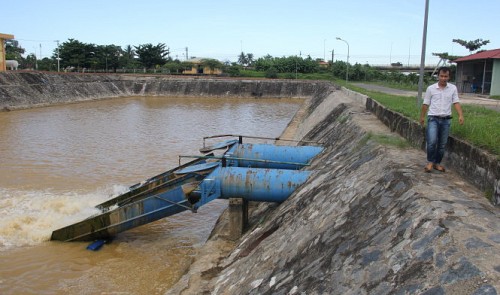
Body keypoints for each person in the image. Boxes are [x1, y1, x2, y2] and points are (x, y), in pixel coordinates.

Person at [420, 66, 464, 173]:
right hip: (433, 119)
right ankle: (430, 162)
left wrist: (460, 115)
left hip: (446, 120)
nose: (443, 78)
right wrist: (422, 117)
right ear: (438, 76)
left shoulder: (453, 88)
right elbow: (426, 103)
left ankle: (437, 163)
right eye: (441, 76)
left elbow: (456, 102)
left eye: (446, 76)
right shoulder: (431, 88)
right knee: (432, 141)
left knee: (442, 144)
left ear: (449, 77)